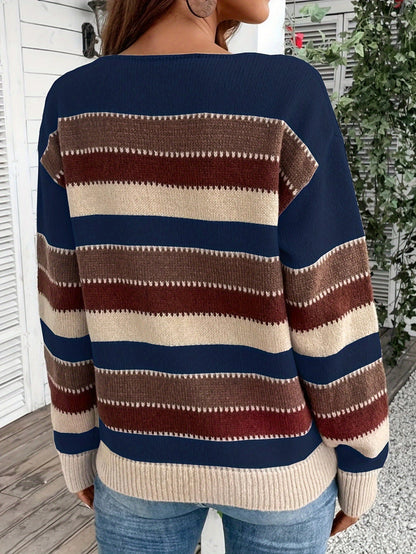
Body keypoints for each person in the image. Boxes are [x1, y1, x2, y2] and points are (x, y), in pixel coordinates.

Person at [36, 0, 390, 552]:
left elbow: (62, 301)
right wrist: (362, 456)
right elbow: (330, 303)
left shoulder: (71, 104)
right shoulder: (286, 95)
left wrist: (76, 446)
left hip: (134, 465)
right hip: (279, 472)